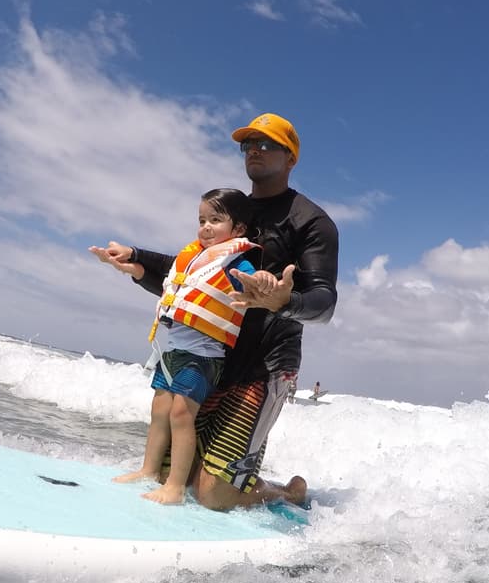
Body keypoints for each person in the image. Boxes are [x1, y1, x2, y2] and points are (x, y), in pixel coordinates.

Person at [90, 113, 339, 511]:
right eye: (248, 144)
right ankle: (234, 470)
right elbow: (193, 279)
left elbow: (324, 303)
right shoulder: (232, 209)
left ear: (291, 158)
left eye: (268, 144)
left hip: (265, 364)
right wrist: (136, 262)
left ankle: (287, 491)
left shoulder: (311, 222)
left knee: (212, 495)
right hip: (214, 355)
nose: (255, 150)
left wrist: (283, 302)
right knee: (173, 473)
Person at [100, 189, 259, 504]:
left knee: (181, 414)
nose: (206, 227)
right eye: (202, 220)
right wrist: (130, 265)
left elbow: (252, 283)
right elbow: (167, 284)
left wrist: (264, 284)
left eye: (216, 219)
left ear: (238, 230)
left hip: (202, 356)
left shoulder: (235, 262)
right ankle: (148, 469)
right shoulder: (194, 260)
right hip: (172, 351)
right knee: (159, 410)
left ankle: (174, 487)